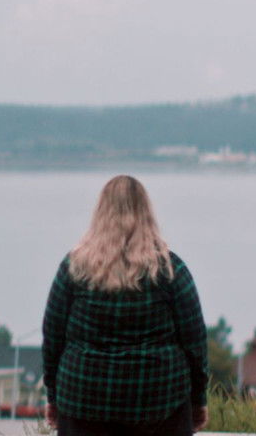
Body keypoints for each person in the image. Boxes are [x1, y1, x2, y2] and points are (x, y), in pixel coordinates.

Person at [42, 175, 209, 436]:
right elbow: (195, 344)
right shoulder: (171, 270)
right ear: (147, 214)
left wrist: (53, 396)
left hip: (83, 403)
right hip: (160, 404)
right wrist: (199, 401)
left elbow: (52, 339)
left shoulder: (73, 269)